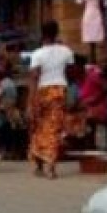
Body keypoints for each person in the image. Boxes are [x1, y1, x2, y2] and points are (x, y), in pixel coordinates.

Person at [27, 20, 74, 179]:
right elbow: (70, 72)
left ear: (42, 33)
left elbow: (34, 77)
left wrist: (30, 101)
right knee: (53, 129)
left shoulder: (37, 54)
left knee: (39, 127)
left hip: (41, 91)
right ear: (57, 32)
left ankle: (40, 164)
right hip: (59, 90)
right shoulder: (66, 51)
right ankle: (50, 167)